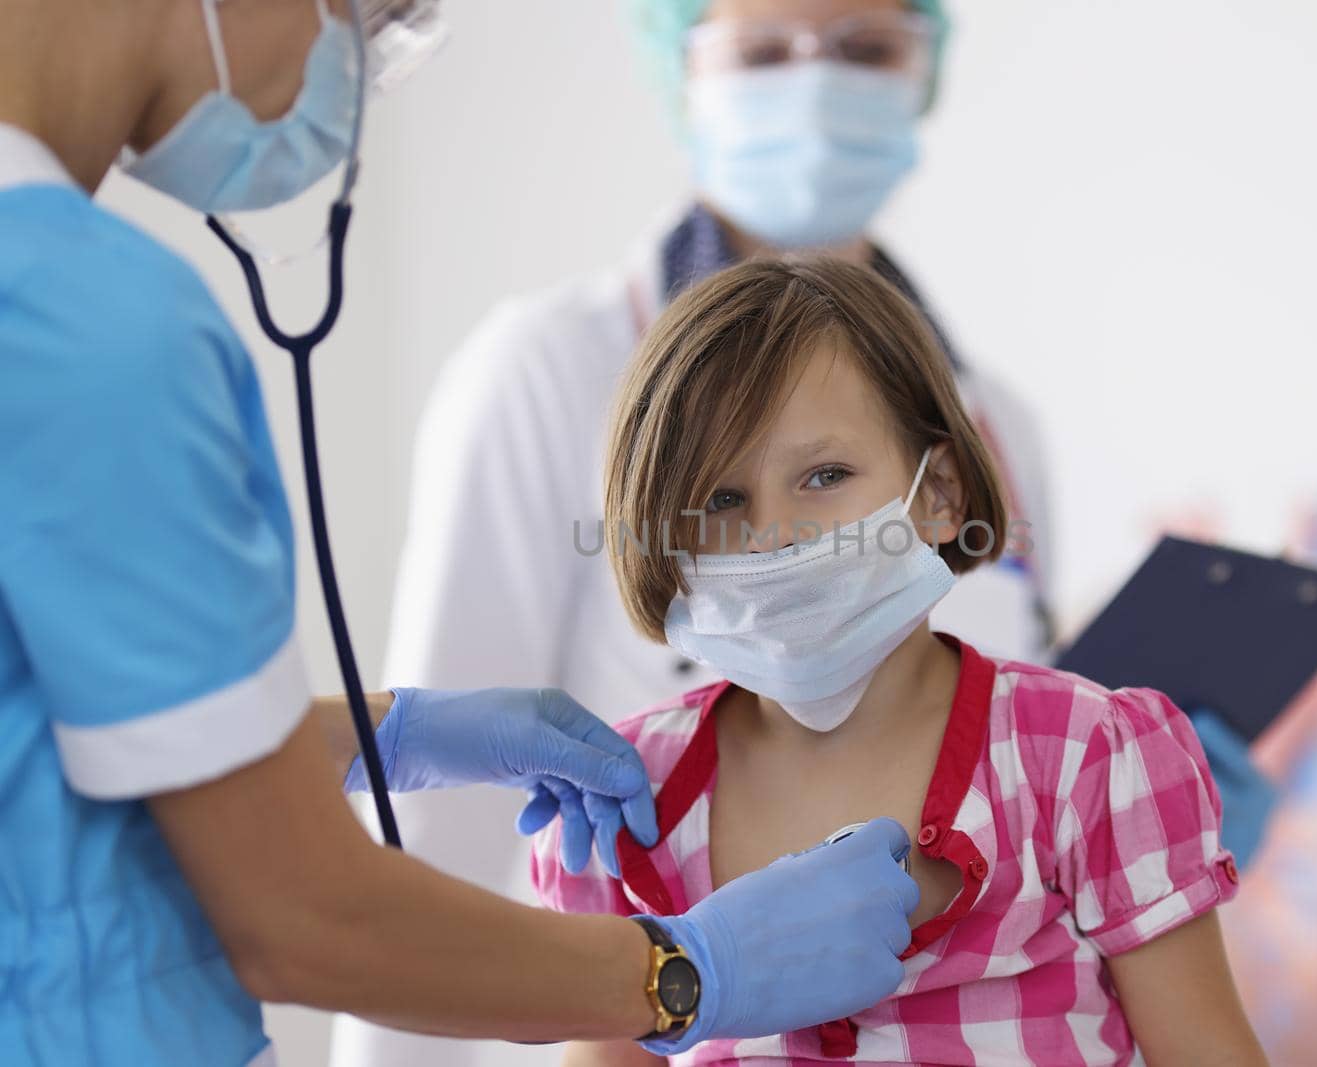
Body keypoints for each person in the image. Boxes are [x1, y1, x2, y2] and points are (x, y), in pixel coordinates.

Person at [0, 2, 922, 1063]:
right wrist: (682, 971)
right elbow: (302, 914)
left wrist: (380, 734)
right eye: (362, 16)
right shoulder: (86, 328)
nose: (342, 71)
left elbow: (39, 750)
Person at [534, 257, 1268, 1066]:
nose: (775, 534)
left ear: (941, 493)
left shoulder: (1084, 758)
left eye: (825, 475)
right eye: (721, 499)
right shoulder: (629, 801)